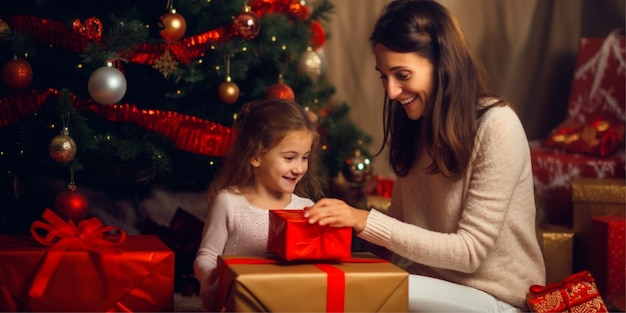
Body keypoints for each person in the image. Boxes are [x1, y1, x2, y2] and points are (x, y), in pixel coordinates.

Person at [304, 0, 545, 311]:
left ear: (443, 64)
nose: (390, 92)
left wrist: (361, 219)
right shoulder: (415, 125)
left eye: (402, 75)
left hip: (497, 298)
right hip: (433, 286)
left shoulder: (498, 125)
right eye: (383, 76)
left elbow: (470, 253)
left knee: (373, 294)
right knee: (344, 287)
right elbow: (399, 224)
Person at [193, 98, 324, 312]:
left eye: (305, 158)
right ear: (256, 156)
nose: (299, 168)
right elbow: (206, 255)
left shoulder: (307, 208)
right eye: (290, 158)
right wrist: (209, 276)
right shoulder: (229, 202)